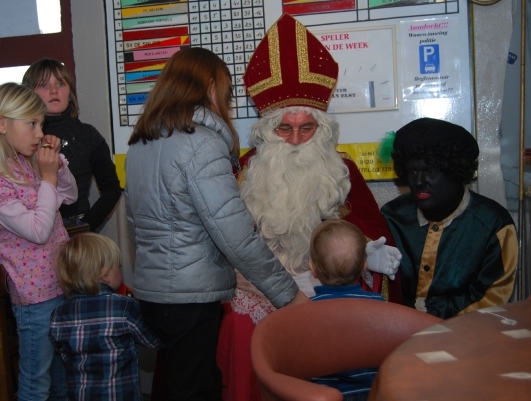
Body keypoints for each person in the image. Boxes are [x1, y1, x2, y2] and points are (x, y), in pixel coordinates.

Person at [216, 14, 401, 401]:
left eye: (307, 128)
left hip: (325, 285)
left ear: (323, 128)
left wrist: (368, 251)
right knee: (239, 324)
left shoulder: (341, 170)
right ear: (268, 128)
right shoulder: (247, 170)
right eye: (284, 128)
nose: (296, 139)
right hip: (261, 286)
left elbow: (363, 225)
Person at [124, 47, 308, 401]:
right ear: (209, 87)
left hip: (153, 291)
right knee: (194, 389)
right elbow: (236, 236)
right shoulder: (202, 144)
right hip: (190, 298)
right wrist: (289, 295)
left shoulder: (141, 145)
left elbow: (136, 224)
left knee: (190, 382)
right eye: (225, 92)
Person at [0, 82, 78, 400]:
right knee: (35, 383)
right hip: (35, 299)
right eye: (31, 123)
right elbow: (39, 230)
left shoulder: (24, 162)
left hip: (61, 284)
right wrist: (46, 178)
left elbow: (68, 195)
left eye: (41, 124)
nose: (39, 132)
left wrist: (56, 167)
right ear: (1, 124)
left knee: (61, 379)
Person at [379, 117, 518, 319]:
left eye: (430, 171)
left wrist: (425, 317)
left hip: (466, 338)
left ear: (455, 171)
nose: (419, 181)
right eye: (412, 171)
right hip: (398, 334)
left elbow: (491, 298)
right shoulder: (392, 217)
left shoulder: (493, 225)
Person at [50, 232, 162, 401]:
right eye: (118, 266)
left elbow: (60, 350)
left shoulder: (59, 313)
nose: (120, 271)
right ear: (105, 274)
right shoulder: (124, 306)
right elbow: (153, 341)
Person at [23, 58, 121, 232]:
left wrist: (87, 225)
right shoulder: (22, 136)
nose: (54, 90)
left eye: (60, 84)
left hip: (78, 235)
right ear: (29, 93)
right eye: (44, 85)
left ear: (70, 92)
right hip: (32, 232)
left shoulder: (88, 135)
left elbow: (112, 188)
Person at [309, 219, 385, 401]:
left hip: (321, 396)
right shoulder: (381, 308)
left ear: (312, 269)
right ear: (364, 267)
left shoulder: (304, 314)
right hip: (373, 395)